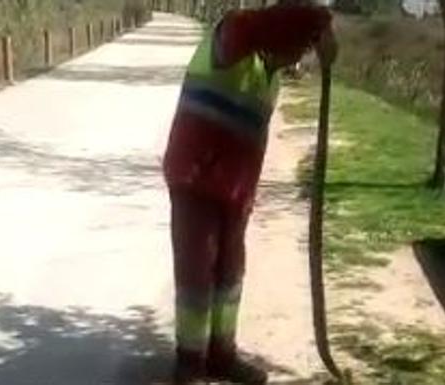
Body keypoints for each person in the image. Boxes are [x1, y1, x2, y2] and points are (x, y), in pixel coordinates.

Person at [163, 1, 337, 383]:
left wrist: (244, 196)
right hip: (194, 178)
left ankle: (222, 355)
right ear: (283, 35)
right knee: (197, 271)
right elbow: (266, 21)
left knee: (230, 274)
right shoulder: (231, 39)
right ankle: (189, 363)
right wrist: (321, 21)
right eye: (301, 44)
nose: (301, 54)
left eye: (307, 49)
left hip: (233, 190)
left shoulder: (270, 78)